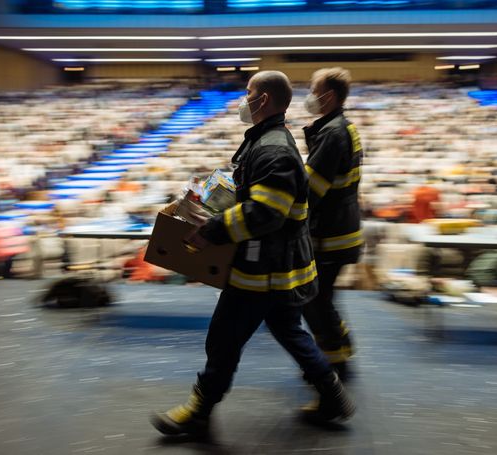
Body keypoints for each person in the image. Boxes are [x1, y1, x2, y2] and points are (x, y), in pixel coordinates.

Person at [150, 71, 355, 436]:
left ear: (262, 100)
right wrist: (200, 199)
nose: (243, 100)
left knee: (223, 337)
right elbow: (243, 189)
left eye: (248, 93)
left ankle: (200, 409)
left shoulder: (274, 148)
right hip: (279, 266)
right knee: (290, 331)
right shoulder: (264, 141)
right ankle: (333, 396)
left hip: (264, 269)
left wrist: (209, 231)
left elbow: (265, 212)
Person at [301, 68, 363, 380]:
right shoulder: (340, 127)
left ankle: (335, 364)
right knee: (321, 299)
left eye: (314, 89)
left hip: (331, 234)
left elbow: (310, 189)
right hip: (340, 229)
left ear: (330, 96)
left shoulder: (334, 133)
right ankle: (340, 349)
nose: (309, 95)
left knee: (314, 301)